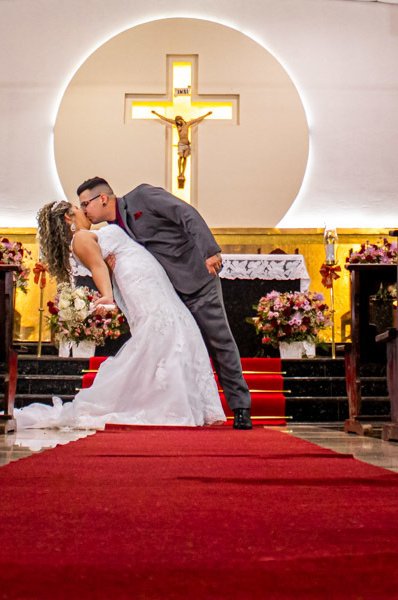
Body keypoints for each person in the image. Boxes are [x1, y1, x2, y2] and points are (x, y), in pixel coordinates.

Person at [16, 200, 226, 430]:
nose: (83, 210)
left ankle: (176, 404)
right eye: (78, 208)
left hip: (148, 279)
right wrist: (107, 296)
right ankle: (168, 406)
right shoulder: (80, 238)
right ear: (68, 217)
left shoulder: (86, 237)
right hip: (140, 283)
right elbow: (97, 266)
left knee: (175, 329)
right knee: (164, 332)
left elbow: (104, 262)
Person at [76, 177, 254, 430]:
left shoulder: (143, 196)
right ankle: (185, 409)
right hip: (165, 291)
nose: (84, 210)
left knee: (218, 341)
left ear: (102, 198)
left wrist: (210, 250)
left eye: (86, 204)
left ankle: (241, 408)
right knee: (179, 348)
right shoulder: (113, 229)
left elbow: (186, 213)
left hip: (195, 279)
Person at [151, 110, 212, 188]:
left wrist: (207, 114)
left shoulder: (187, 124)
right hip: (181, 144)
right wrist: (156, 113)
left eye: (179, 121)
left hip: (187, 144)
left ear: (181, 120)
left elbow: (197, 119)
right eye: (177, 122)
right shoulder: (177, 125)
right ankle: (179, 172)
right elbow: (166, 119)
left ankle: (183, 173)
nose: (178, 123)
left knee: (185, 157)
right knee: (181, 157)